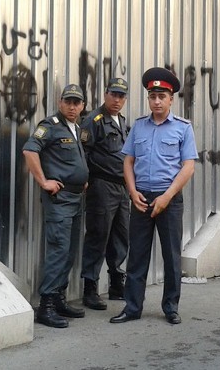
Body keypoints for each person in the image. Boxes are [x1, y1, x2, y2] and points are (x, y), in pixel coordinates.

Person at [111, 67, 198, 325]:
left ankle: (170, 307)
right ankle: (132, 307)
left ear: (171, 99)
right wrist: (132, 192)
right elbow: (128, 161)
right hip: (141, 198)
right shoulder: (139, 127)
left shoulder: (183, 128)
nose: (157, 101)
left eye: (162, 96)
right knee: (137, 255)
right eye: (152, 97)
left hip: (169, 199)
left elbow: (188, 167)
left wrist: (167, 196)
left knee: (171, 256)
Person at [23, 83, 89, 328]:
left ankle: (59, 298)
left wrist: (82, 179)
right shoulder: (50, 126)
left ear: (82, 106)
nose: (72, 107)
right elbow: (30, 151)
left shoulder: (77, 128)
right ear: (60, 103)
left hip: (76, 199)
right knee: (58, 250)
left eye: (76, 103)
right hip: (60, 200)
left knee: (69, 251)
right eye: (68, 102)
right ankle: (47, 306)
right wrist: (44, 181)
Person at [79, 77, 131, 310]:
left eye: (121, 96)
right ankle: (90, 289)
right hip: (102, 186)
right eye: (113, 95)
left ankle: (116, 284)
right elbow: (83, 153)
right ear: (105, 94)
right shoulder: (94, 120)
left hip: (122, 187)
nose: (117, 100)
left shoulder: (122, 121)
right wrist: (86, 180)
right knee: (98, 235)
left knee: (121, 236)